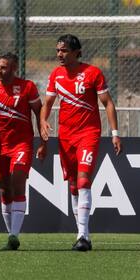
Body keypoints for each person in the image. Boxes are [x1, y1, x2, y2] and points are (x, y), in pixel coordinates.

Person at [40, 34, 122, 251]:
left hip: (88, 133)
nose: (59, 54)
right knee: (74, 185)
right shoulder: (56, 75)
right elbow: (47, 104)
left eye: (64, 50)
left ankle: (83, 235)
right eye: (58, 50)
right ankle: (83, 236)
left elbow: (108, 104)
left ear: (77, 52)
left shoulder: (92, 73)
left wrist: (115, 133)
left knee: (84, 180)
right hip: (65, 136)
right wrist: (42, 122)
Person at [0, 52, 46, 250]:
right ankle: (10, 235)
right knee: (4, 189)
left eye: (3, 67)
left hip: (22, 143)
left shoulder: (28, 87)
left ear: (14, 68)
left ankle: (14, 235)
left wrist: (43, 142)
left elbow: (39, 113)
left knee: (17, 180)